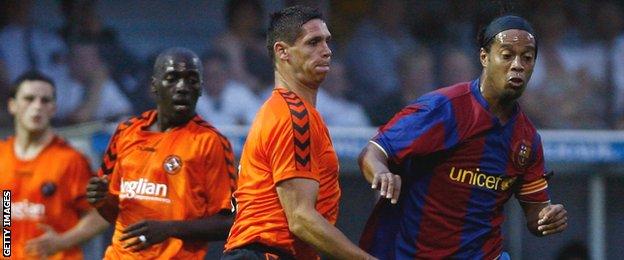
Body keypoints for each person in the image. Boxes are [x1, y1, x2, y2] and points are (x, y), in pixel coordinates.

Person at [358, 15, 568, 259]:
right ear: (484, 58)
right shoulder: (443, 109)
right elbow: (373, 152)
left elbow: (535, 215)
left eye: (527, 57)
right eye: (507, 55)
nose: (518, 65)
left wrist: (547, 218)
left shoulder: (528, 139)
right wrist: (381, 172)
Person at [223, 6, 375, 260]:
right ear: (282, 51)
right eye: (313, 42)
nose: (326, 50)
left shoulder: (286, 110)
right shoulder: (294, 116)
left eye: (327, 41)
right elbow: (300, 218)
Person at [86, 47, 236, 259]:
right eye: (172, 78)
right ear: (154, 85)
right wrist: (102, 200)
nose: (182, 87)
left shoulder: (211, 142)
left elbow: (229, 223)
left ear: (201, 88)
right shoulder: (126, 132)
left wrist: (169, 229)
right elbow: (116, 213)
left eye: (191, 80)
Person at [0, 71, 109, 259]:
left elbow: (102, 213)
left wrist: (62, 241)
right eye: (29, 99)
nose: (37, 106)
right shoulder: (1, 155)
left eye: (45, 100)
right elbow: (6, 211)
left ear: (53, 108)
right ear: (12, 105)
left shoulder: (70, 159)